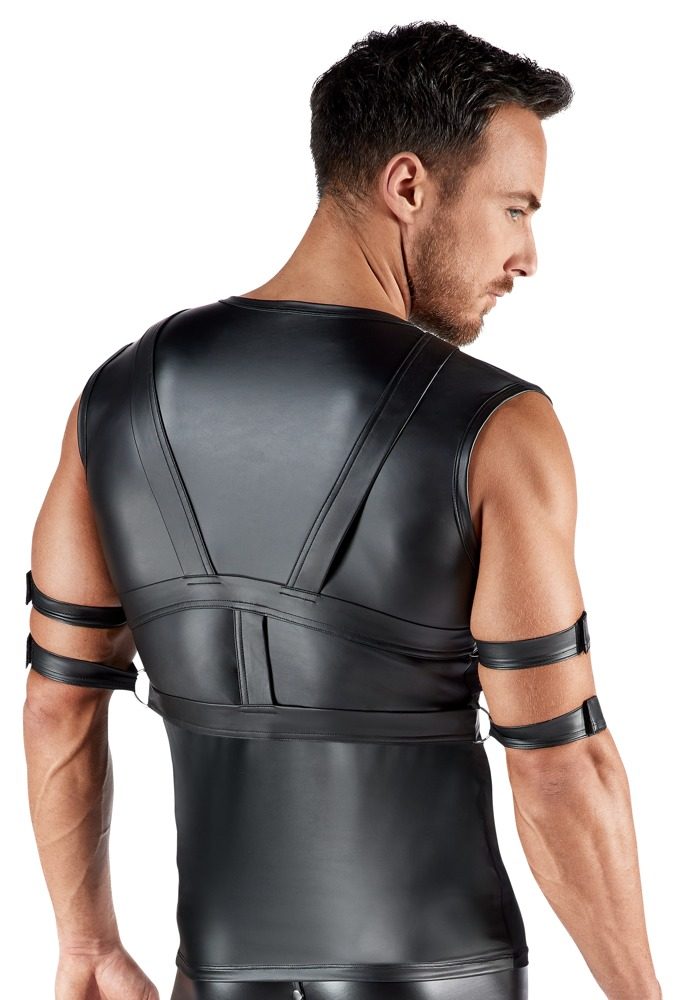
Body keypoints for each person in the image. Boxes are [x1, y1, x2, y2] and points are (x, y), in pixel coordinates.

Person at [22, 20, 662, 1000]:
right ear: (407, 186)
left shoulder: (117, 399)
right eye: (514, 209)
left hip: (217, 976)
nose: (527, 255)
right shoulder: (498, 426)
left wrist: (87, 944)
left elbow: (58, 704)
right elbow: (559, 770)